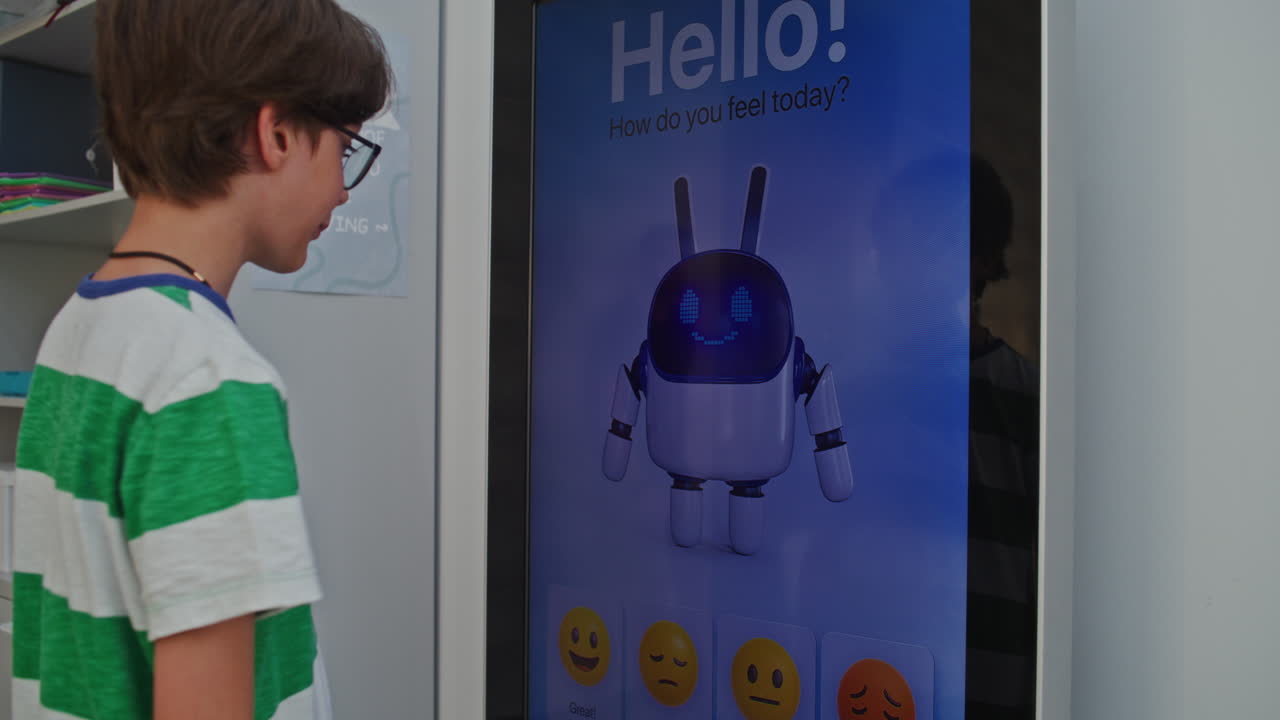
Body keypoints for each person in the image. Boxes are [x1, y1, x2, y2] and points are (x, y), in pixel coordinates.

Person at [10, 1, 391, 718]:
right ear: (276, 133)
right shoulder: (209, 380)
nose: (343, 189)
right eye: (345, 148)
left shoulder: (80, 327)